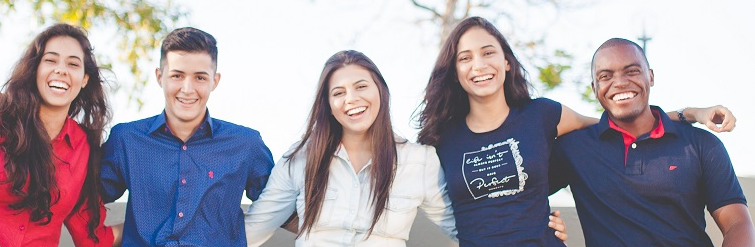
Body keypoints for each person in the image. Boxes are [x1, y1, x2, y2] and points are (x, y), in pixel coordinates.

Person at [413, 16, 736, 246]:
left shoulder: (542, 114)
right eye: (465, 57)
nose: (479, 65)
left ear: (507, 61)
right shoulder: (442, 138)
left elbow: (620, 122)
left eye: (488, 52)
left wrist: (689, 113)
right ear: (454, 70)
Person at [244, 50, 567, 247]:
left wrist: (536, 225)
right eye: (338, 93)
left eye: (360, 87)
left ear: (380, 92)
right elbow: (251, 231)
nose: (351, 100)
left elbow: (469, 228)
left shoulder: (419, 161)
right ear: (328, 105)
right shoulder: (300, 159)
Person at [549, 38, 755, 246]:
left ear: (651, 76)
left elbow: (737, 224)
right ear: (595, 87)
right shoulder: (573, 148)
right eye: (606, 76)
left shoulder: (701, 144)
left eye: (631, 71)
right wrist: (545, 224)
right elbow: (520, 193)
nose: (620, 82)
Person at [0, 23, 119, 247]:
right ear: (35, 69)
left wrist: (156, 225)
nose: (61, 70)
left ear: (85, 79)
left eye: (73, 64)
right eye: (50, 60)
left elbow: (93, 238)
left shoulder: (82, 146)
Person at [99, 27, 275, 246]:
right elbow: (83, 197)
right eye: (177, 75)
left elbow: (279, 203)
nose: (187, 88)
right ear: (159, 76)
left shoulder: (246, 144)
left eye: (200, 77)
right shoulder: (126, 139)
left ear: (215, 81)